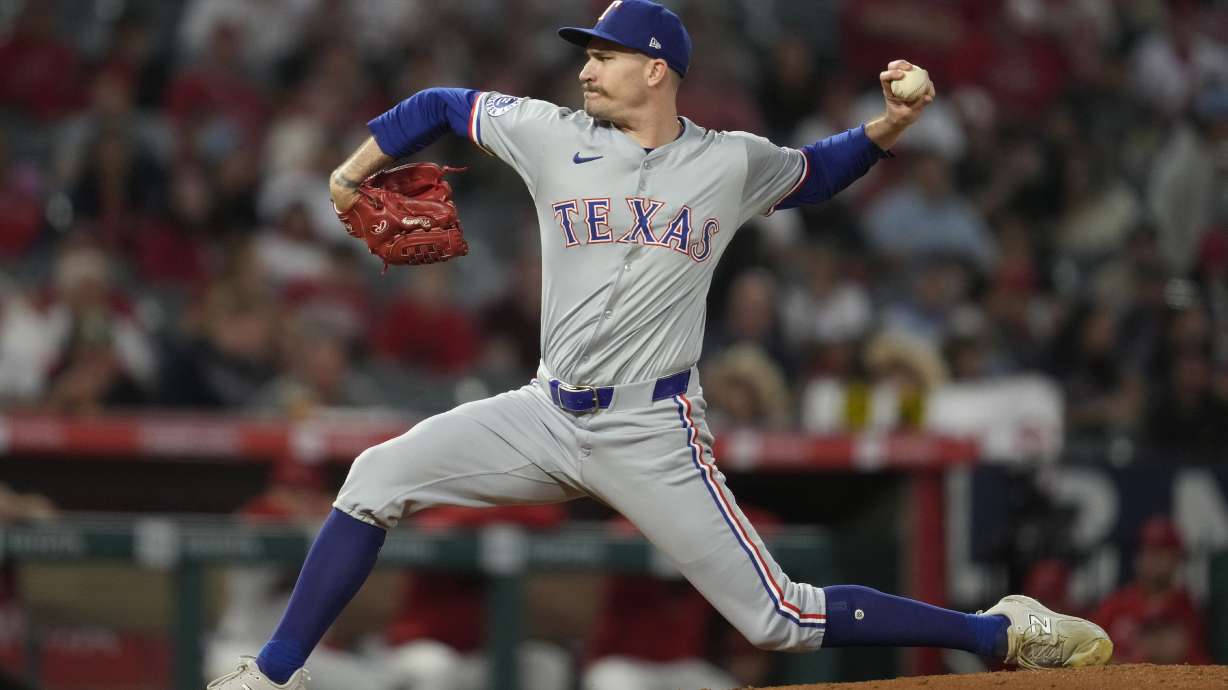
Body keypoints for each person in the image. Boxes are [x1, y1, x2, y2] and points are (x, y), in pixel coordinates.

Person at [207, 3, 1111, 688]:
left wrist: (888, 129)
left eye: (602, 55)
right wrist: (351, 169)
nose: (586, 70)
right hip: (544, 410)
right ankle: (268, 677)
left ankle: (996, 633)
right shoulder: (551, 134)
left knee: (778, 619)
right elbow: (441, 103)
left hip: (651, 429)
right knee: (373, 478)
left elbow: (817, 170)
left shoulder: (727, 162)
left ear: (656, 69)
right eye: (587, 55)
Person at [1093, 516, 1211, 665]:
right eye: (1150, 550)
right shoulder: (1118, 603)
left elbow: (1197, 665)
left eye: (1162, 552)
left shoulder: (1184, 607)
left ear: (1176, 558)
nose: (1154, 559)